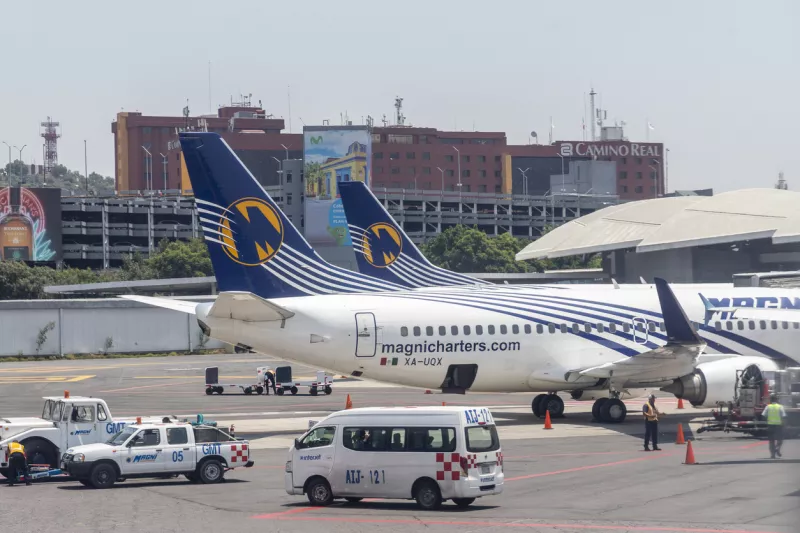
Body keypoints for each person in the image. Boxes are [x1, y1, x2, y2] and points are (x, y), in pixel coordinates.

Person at [762, 394, 786, 459]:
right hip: (779, 425)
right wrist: (783, 424)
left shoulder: (768, 407)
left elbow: (763, 415)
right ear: (777, 400)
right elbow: (783, 416)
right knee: (780, 439)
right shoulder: (780, 407)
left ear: (770, 400)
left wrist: (767, 420)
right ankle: (777, 448)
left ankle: (772, 455)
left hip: (770, 425)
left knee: (771, 441)